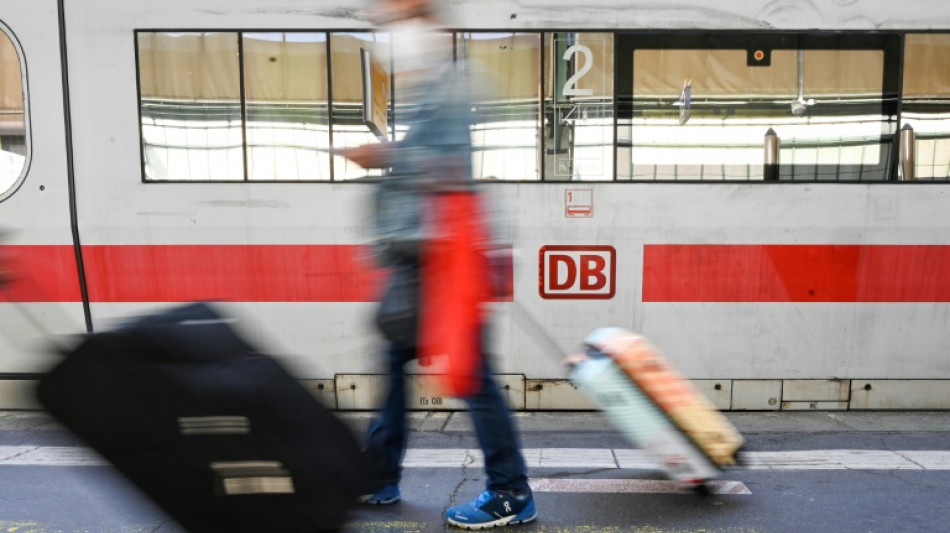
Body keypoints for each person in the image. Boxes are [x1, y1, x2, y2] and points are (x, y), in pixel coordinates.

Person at [339, 0, 537, 529]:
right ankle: (380, 476)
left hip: (443, 261)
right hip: (419, 258)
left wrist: (380, 156)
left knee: (471, 374)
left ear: (421, 18)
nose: (386, 25)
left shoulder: (449, 85)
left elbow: (447, 168)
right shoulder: (431, 84)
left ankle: (511, 492)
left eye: (396, 15)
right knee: (395, 359)